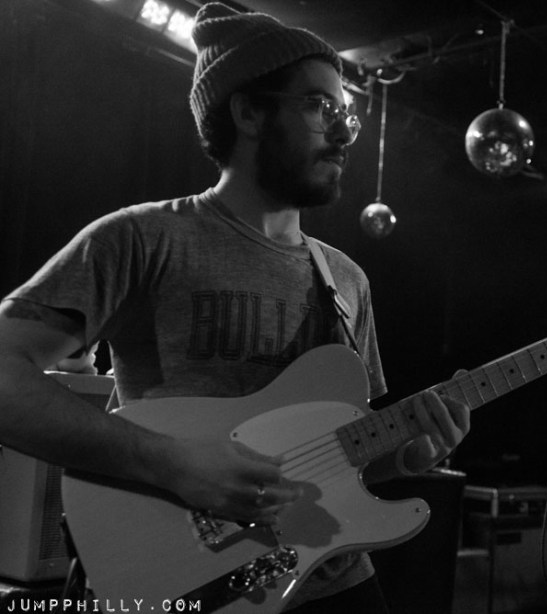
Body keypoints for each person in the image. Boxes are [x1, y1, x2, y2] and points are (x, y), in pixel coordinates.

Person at [0, 3, 469, 613]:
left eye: (345, 113)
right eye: (320, 107)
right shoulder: (142, 239)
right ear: (248, 112)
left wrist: (407, 454)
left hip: (334, 582)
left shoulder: (346, 280)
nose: (344, 133)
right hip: (190, 582)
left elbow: (331, 459)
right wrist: (173, 464)